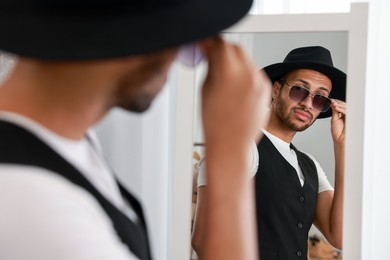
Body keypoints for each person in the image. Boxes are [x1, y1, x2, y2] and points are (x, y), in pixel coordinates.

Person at [0, 1, 272, 260]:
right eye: (186, 42)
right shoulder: (32, 203)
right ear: (135, 39)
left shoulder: (64, 140)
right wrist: (230, 152)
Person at [192, 46, 346, 260]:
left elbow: (339, 236)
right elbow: (202, 238)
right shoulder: (242, 148)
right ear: (275, 90)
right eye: (299, 90)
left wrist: (342, 146)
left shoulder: (310, 165)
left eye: (320, 98)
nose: (307, 104)